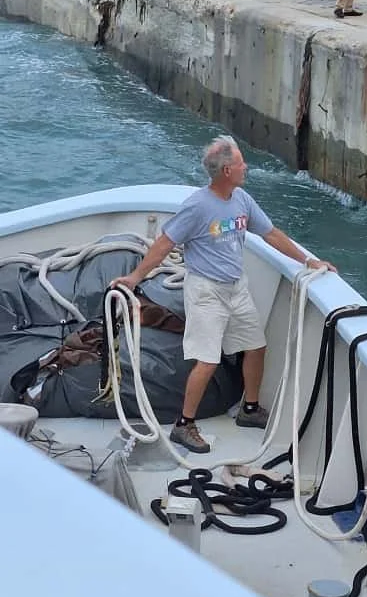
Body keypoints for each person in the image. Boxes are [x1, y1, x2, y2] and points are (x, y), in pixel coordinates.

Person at [113, 135, 337, 454]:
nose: (247, 167)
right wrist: (135, 278)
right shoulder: (197, 206)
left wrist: (308, 260)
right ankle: (184, 425)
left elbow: (270, 232)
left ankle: (249, 409)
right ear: (227, 170)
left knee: (256, 347)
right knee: (207, 361)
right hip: (206, 292)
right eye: (242, 163)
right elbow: (165, 243)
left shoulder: (241, 199)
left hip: (236, 287)